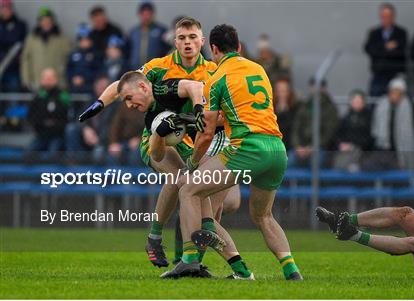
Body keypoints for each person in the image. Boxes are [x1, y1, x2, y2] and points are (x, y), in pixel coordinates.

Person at [78, 17, 240, 269]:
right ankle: (159, 240)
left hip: (197, 143)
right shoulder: (158, 67)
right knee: (181, 183)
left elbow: (223, 113)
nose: (187, 43)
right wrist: (100, 103)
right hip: (159, 138)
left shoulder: (213, 71)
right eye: (182, 38)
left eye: (192, 37)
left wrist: (207, 121)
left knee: (226, 204)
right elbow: (123, 83)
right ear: (175, 41)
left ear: (202, 41)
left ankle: (189, 260)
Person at [163, 23, 303, 281]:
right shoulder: (259, 69)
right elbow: (242, 112)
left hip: (247, 148)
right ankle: (292, 271)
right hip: (276, 149)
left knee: (188, 190)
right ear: (238, 47)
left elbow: (206, 133)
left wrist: (192, 165)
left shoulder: (216, 78)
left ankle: (189, 260)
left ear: (212, 49)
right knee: (263, 215)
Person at [371, 77, 414, 170]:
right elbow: (375, 127)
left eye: (398, 92)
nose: (395, 95)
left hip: (402, 148)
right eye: (393, 92)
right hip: (384, 148)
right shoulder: (381, 105)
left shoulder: (409, 107)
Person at [290, 77, 339, 167]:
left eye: (319, 86)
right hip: (301, 146)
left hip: (321, 148)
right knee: (289, 161)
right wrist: (298, 146)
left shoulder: (330, 108)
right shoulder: (304, 105)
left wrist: (312, 147)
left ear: (324, 88)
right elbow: (296, 128)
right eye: (313, 86)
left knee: (314, 164)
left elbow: (329, 133)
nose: (316, 89)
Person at [20, 7, 70, 91]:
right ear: (39, 22)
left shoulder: (62, 39)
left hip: (57, 84)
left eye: (48, 20)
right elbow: (25, 60)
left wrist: (63, 80)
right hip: (36, 82)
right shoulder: (31, 39)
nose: (46, 23)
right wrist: (26, 80)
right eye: (43, 20)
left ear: (53, 21)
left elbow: (68, 60)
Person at [364, 3, 407, 96]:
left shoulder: (401, 33)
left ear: (393, 16)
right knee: (374, 100)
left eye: (389, 16)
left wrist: (380, 51)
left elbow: (402, 52)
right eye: (384, 16)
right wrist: (385, 47)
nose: (386, 19)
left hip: (395, 74)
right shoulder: (374, 33)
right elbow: (369, 49)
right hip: (379, 73)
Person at [27, 68, 70, 156]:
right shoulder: (38, 97)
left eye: (50, 79)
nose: (48, 82)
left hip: (58, 135)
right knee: (28, 154)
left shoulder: (63, 96)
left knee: (53, 154)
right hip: (41, 135)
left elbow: (66, 117)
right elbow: (31, 116)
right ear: (41, 80)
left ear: (56, 80)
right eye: (45, 79)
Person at [334, 89, 373, 171]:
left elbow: (370, 138)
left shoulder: (369, 118)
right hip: (345, 150)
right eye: (355, 101)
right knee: (338, 163)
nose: (357, 103)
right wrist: (341, 144)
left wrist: (353, 145)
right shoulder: (345, 118)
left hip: (362, 151)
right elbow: (338, 134)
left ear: (363, 103)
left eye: (359, 101)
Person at [127, 1, 168, 70]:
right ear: (139, 14)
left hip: (155, 71)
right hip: (135, 71)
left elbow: (167, 52)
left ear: (153, 14)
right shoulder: (133, 32)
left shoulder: (161, 31)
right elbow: (128, 51)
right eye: (143, 14)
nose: (146, 17)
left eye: (148, 14)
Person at [0, 0, 27, 92]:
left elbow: (20, 44)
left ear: (12, 9)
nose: (5, 11)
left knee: (13, 97)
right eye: (3, 8)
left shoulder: (20, 25)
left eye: (7, 8)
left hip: (13, 67)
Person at [67, 23, 98, 93]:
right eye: (82, 40)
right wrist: (73, 78)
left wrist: (84, 78)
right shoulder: (73, 54)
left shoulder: (95, 55)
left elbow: (97, 71)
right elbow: (68, 69)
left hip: (90, 88)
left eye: (86, 39)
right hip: (74, 87)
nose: (84, 42)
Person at [273, 76, 299, 150]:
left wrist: (285, 111)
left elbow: (293, 129)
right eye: (279, 91)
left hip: (290, 146)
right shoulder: (271, 108)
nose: (281, 94)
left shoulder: (296, 108)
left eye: (284, 91)